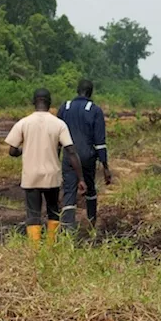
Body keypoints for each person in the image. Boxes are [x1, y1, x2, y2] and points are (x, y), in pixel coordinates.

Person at [6, 88, 86, 244]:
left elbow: (12, 151)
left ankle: (35, 249)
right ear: (50, 103)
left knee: (33, 213)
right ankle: (51, 246)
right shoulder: (59, 124)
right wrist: (80, 178)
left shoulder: (24, 123)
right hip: (52, 177)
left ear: (33, 102)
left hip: (31, 176)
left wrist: (25, 149)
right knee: (53, 211)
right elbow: (71, 151)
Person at [58, 79, 112, 231]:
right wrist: (105, 167)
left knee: (69, 190)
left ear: (77, 90)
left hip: (69, 156)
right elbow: (100, 142)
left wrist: (56, 156)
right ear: (91, 92)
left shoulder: (65, 107)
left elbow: (56, 135)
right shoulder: (95, 110)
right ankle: (91, 224)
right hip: (88, 157)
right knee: (90, 188)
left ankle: (67, 227)